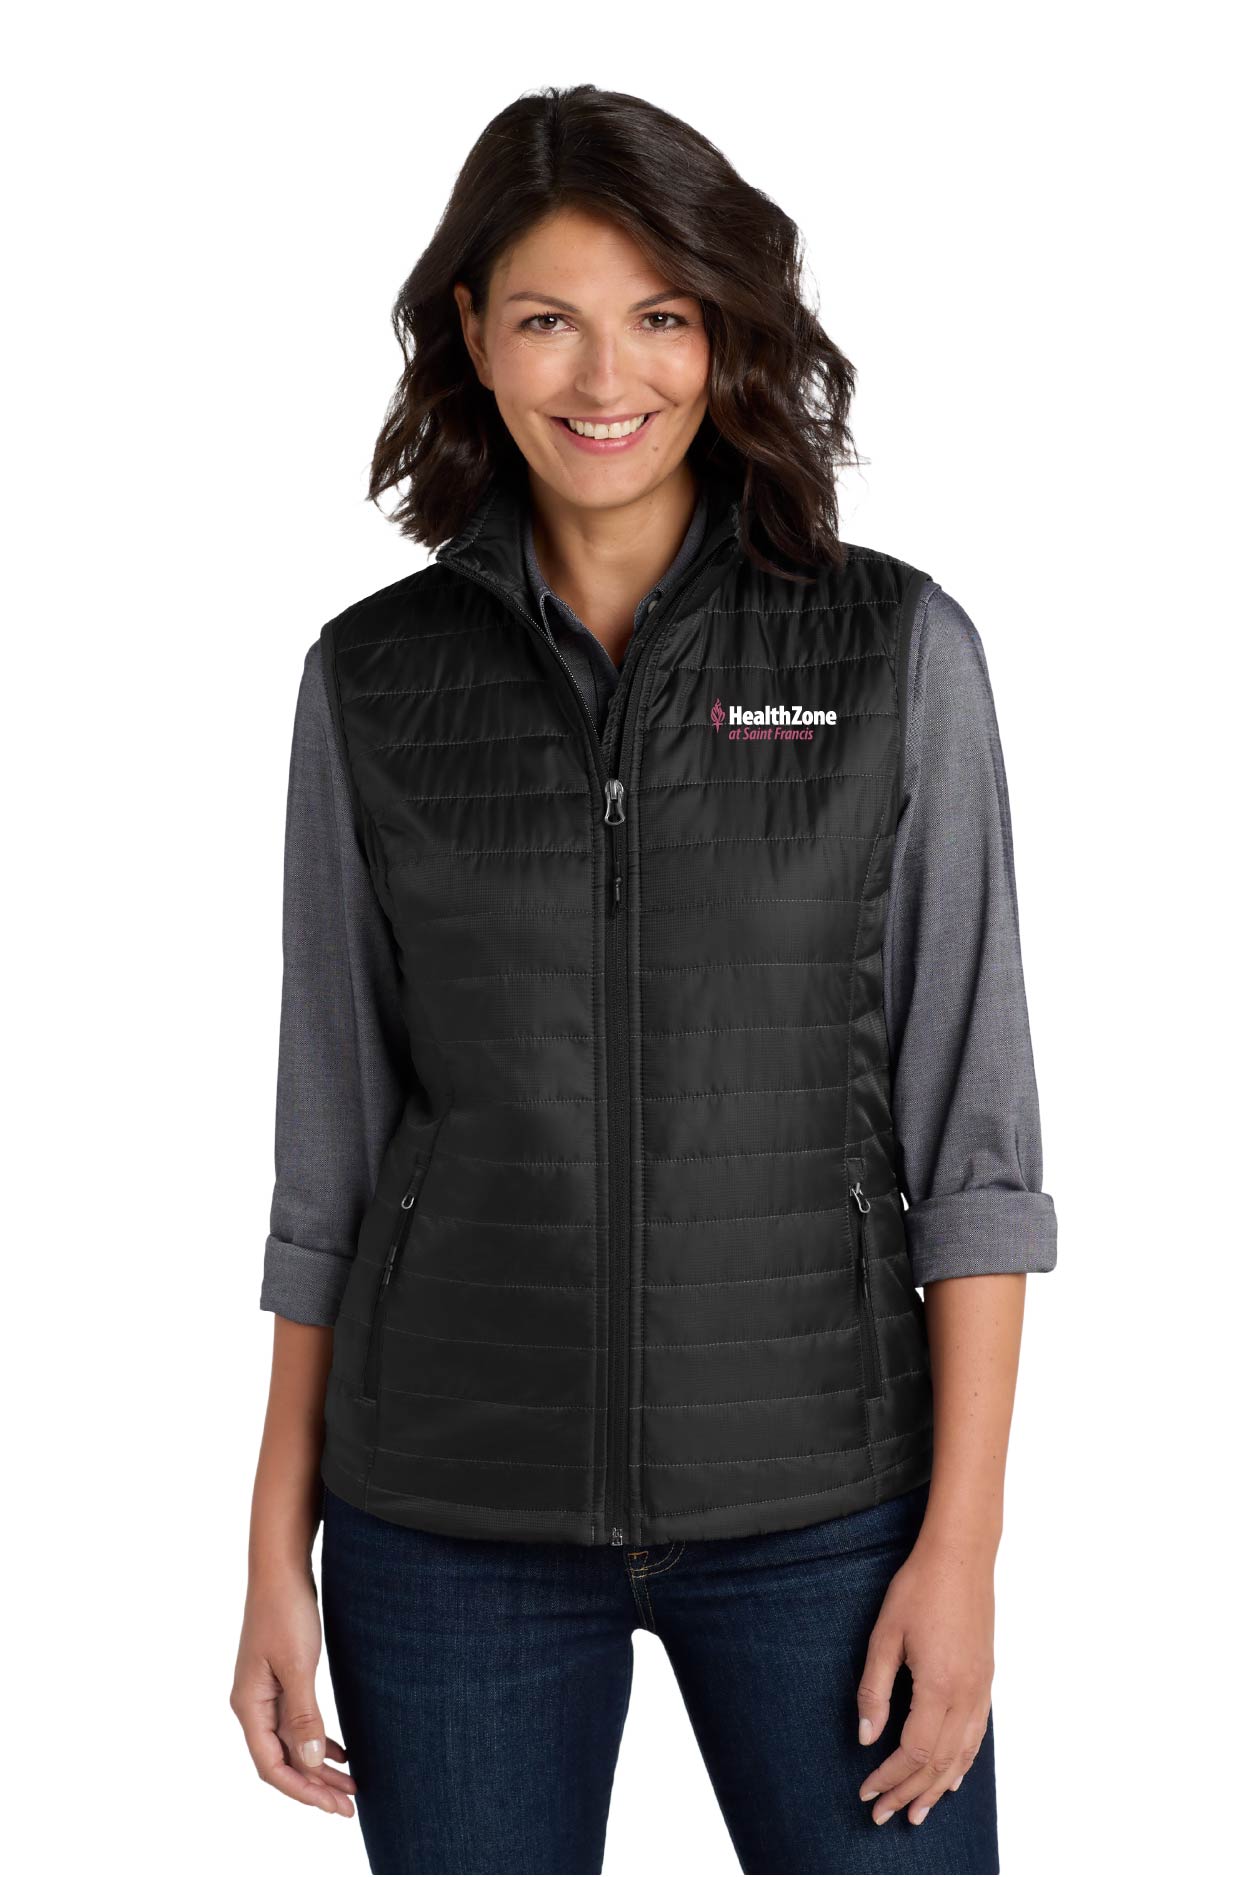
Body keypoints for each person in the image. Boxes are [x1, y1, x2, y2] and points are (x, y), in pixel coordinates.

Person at [230, 83, 1057, 1877]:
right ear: (472, 332)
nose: (607, 377)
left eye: (660, 316)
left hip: (829, 1509)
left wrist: (963, 1548)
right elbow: (331, 1159)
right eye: (549, 319)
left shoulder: (894, 649)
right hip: (445, 1519)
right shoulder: (370, 682)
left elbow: (977, 1156)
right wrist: (273, 1552)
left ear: (724, 328)